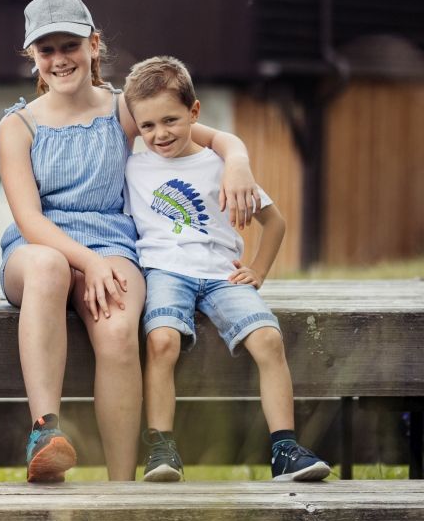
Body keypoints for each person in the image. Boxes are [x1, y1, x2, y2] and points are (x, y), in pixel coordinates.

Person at [0, 0, 261, 482]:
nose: (60, 59)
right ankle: (45, 430)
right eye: (46, 49)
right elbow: (29, 219)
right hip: (35, 251)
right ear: (32, 55)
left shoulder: (123, 110)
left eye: (70, 45)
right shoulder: (19, 125)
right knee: (49, 265)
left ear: (93, 44)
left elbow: (211, 136)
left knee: (119, 333)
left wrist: (238, 160)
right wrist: (86, 263)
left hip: (113, 243)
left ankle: (122, 486)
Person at [123, 56, 331, 483]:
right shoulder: (132, 167)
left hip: (221, 275)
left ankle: (285, 449)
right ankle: (162, 447)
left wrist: (257, 269)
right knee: (161, 341)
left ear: (194, 112)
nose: (160, 134)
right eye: (147, 126)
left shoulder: (221, 166)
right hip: (164, 271)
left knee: (269, 339)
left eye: (171, 120)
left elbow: (274, 222)